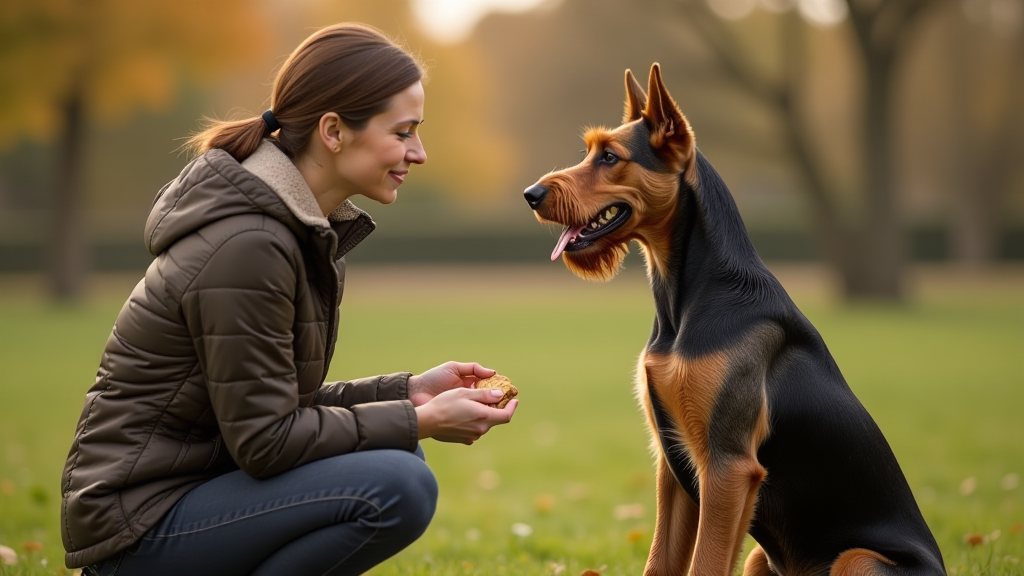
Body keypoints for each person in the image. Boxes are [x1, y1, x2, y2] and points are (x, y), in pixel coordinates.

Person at [60, 23, 518, 576]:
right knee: (398, 483)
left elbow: (272, 407)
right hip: (139, 529)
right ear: (333, 131)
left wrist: (410, 393)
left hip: (194, 496)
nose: (419, 153)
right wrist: (416, 419)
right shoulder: (248, 245)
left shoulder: (294, 231)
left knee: (397, 461)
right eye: (403, 132)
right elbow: (267, 441)